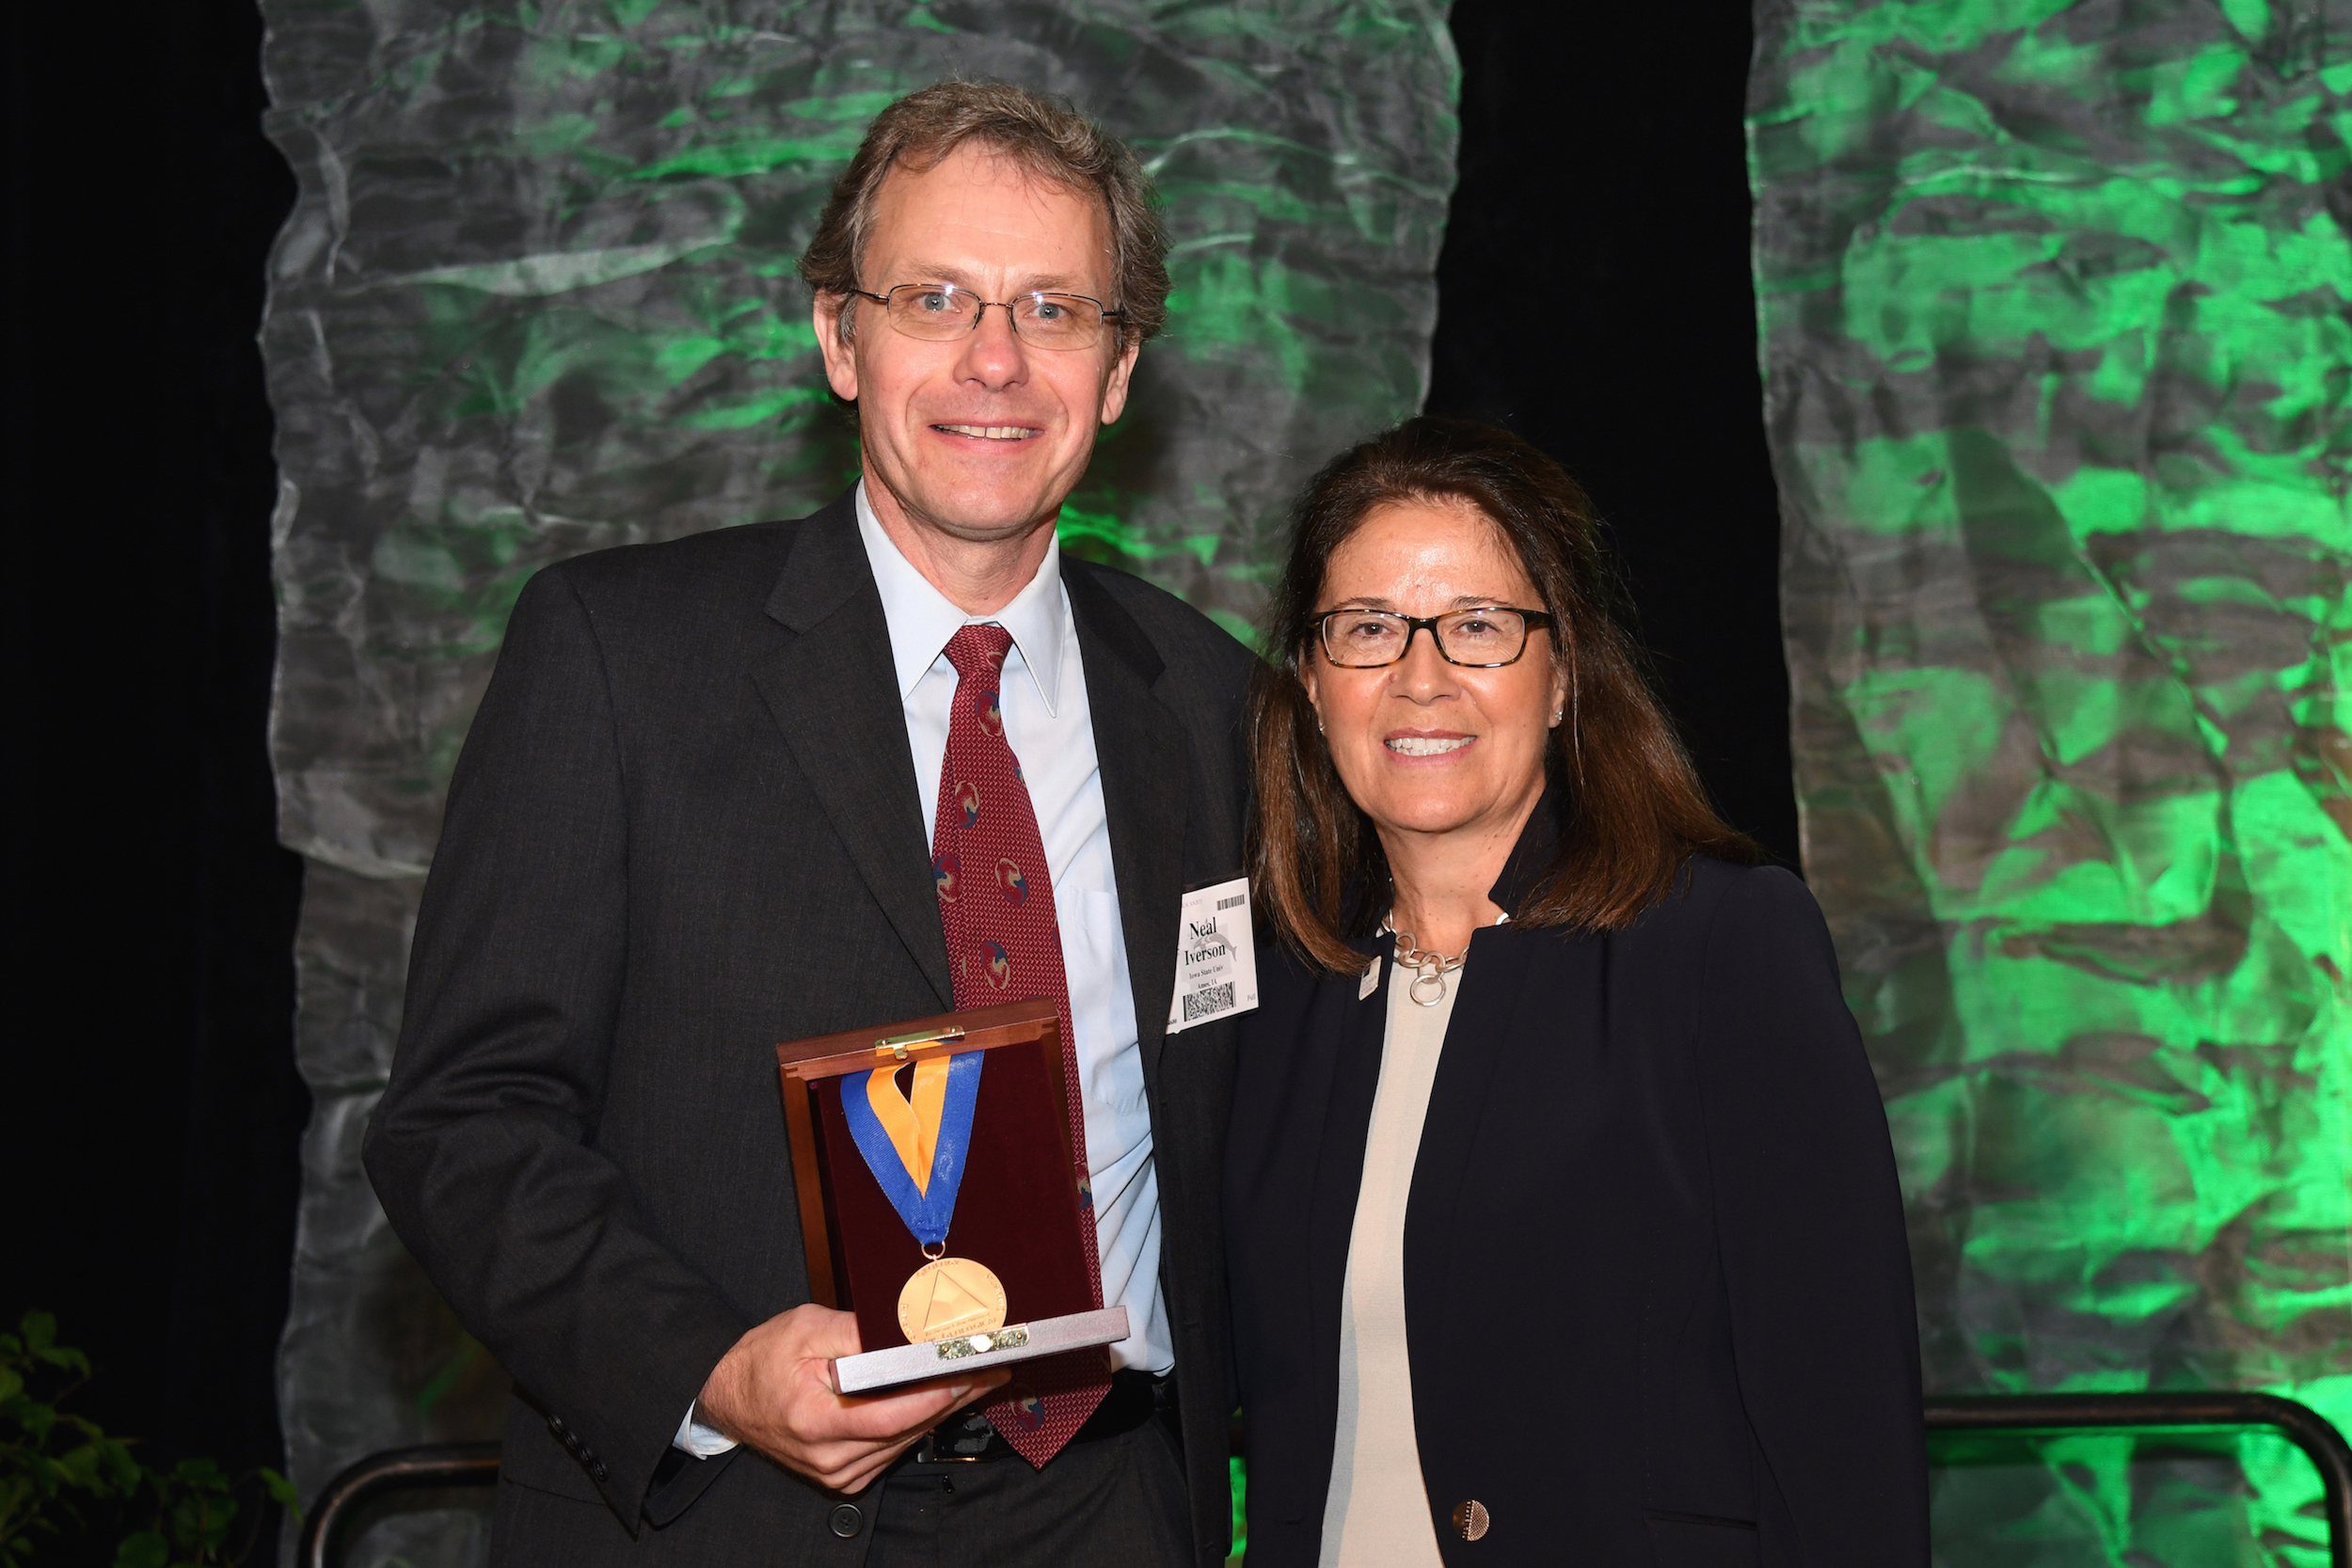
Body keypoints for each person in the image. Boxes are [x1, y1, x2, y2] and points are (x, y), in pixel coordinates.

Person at [364, 82, 1255, 1566]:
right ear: (840, 337)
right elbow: (461, 1119)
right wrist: (710, 1367)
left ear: (1119, 368)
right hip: (730, 1514)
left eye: (1054, 308)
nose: (995, 358)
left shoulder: (1220, 708)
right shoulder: (618, 654)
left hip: (1110, 1512)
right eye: (936, 297)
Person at [1224, 417, 1928, 1567]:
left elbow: (1840, 1416)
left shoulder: (1719, 943)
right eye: (1365, 628)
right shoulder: (1287, 989)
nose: (1419, 676)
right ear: (1309, 681)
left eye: (1479, 627)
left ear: (1561, 676)